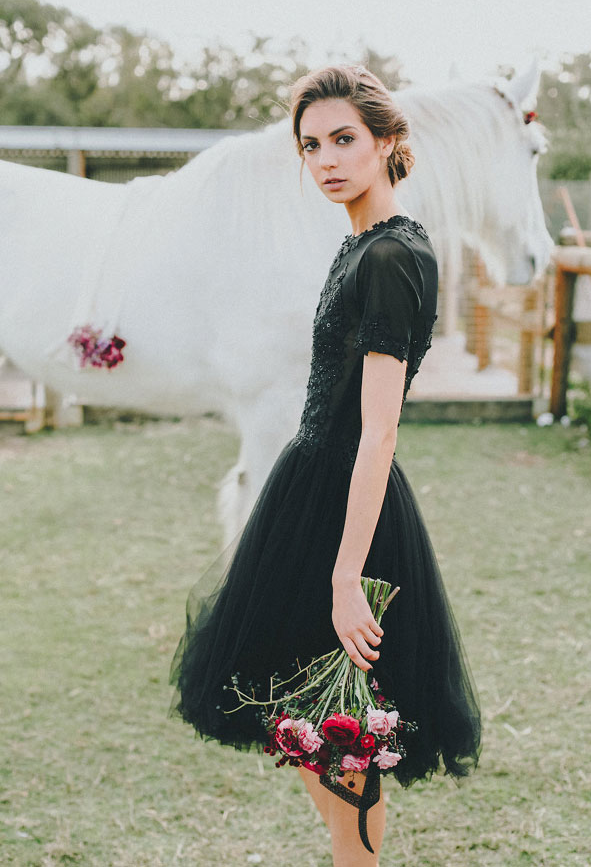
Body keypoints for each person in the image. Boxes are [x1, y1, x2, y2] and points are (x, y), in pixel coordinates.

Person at [168, 64, 482, 866]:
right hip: (311, 489)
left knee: (341, 733)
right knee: (310, 720)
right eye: (311, 146)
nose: (326, 160)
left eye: (344, 139)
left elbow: (379, 431)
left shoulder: (389, 258)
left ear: (387, 142)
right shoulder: (358, 245)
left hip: (350, 510)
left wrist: (347, 578)